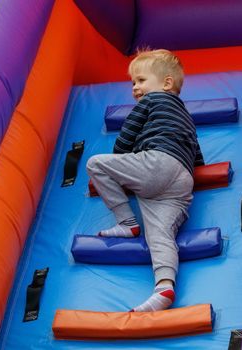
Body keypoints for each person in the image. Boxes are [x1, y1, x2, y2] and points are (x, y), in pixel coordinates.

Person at [86, 49, 204, 312]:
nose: (135, 88)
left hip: (156, 164)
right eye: (133, 83)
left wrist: (119, 165)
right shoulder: (185, 116)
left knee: (95, 164)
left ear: (166, 84)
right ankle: (164, 286)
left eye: (140, 80)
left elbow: (127, 137)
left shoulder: (150, 102)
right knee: (160, 235)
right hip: (180, 180)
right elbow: (196, 153)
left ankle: (127, 222)